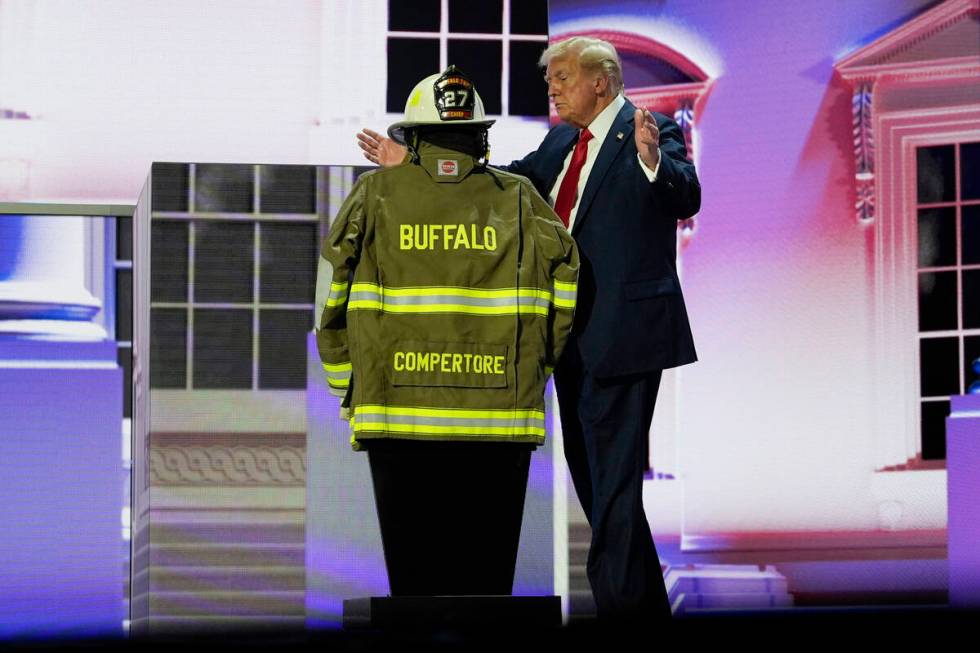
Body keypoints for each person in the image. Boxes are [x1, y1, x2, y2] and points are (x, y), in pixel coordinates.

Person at [357, 37, 699, 623]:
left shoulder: (653, 127)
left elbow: (685, 193)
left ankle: (622, 615)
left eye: (563, 76)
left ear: (602, 79)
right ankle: (643, 615)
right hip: (570, 334)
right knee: (599, 491)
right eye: (550, 79)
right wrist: (414, 165)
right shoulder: (563, 140)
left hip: (626, 333)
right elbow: (507, 187)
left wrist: (651, 161)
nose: (553, 88)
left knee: (612, 490)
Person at [319, 66, 580, 596]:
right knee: (486, 595)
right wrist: (538, 369)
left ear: (412, 138)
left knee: (414, 594)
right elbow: (567, 285)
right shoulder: (522, 199)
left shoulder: (374, 194)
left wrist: (346, 381)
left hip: (396, 418)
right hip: (498, 422)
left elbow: (333, 297)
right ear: (480, 137)